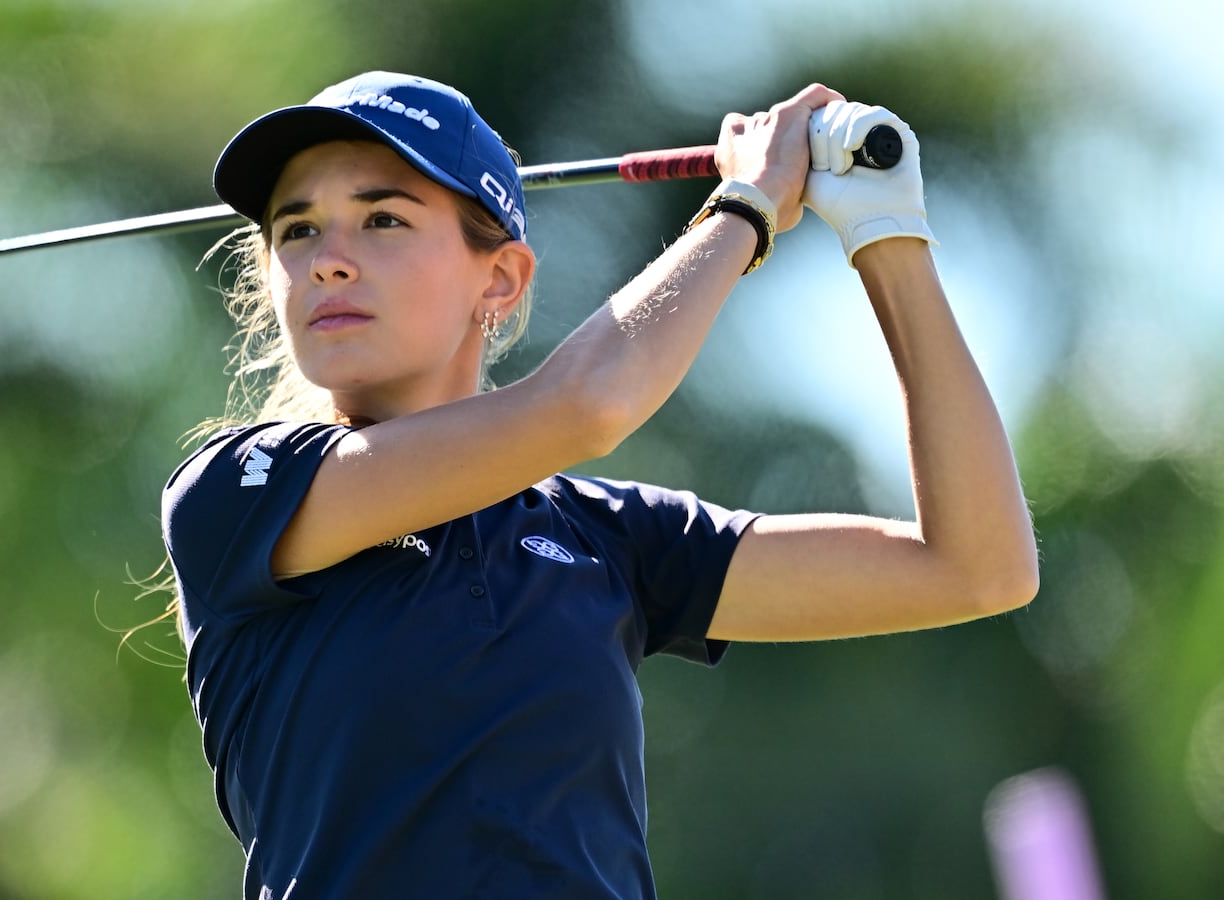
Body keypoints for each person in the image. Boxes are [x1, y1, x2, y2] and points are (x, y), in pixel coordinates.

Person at [158, 70, 1038, 899]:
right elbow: (588, 404)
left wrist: (886, 233)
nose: (327, 261)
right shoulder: (240, 494)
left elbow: (979, 566)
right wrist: (745, 207)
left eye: (382, 220)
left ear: (498, 278)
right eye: (297, 228)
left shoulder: (607, 540)